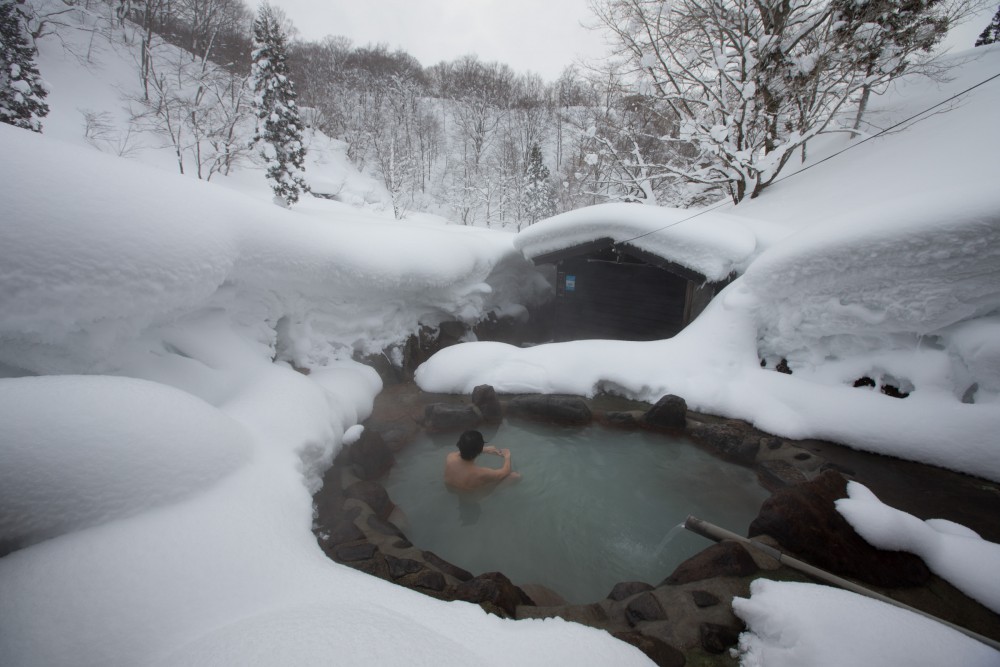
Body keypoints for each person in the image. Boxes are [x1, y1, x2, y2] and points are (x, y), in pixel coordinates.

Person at [444, 430, 520, 491]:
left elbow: (462, 451)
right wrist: (507, 456)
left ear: (459, 444)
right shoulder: (480, 473)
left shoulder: (450, 457)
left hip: (453, 489)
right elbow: (505, 472)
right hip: (472, 498)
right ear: (478, 451)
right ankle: (495, 495)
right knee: (515, 476)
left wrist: (485, 449)